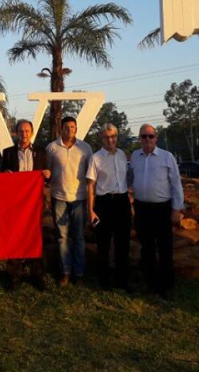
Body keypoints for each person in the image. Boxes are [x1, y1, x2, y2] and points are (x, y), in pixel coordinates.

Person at [129, 124, 184, 298]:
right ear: (139, 138)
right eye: (143, 136)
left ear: (156, 138)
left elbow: (176, 184)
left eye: (150, 136)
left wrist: (176, 209)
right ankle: (150, 283)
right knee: (147, 248)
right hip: (142, 208)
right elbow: (129, 179)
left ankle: (165, 286)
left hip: (162, 208)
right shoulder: (135, 157)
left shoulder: (167, 157)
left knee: (165, 248)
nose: (147, 139)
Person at [1, 119, 51, 291]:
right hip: (15, 203)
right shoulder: (8, 153)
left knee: (36, 238)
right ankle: (14, 275)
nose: (24, 134)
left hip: (35, 202)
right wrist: (6, 174)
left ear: (32, 132)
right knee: (14, 237)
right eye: (21, 131)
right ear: (16, 133)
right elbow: (2, 177)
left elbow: (47, 176)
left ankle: (37, 275)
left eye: (27, 131)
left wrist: (47, 174)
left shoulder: (41, 152)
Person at [46, 115, 93, 287]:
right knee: (62, 237)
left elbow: (90, 175)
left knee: (79, 237)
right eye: (66, 127)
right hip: (59, 197)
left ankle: (79, 273)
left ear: (76, 129)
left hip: (79, 198)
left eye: (73, 127)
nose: (70, 130)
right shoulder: (52, 148)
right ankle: (65, 272)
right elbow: (48, 171)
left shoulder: (85, 148)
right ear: (61, 129)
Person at [86, 123, 131, 291]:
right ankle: (103, 281)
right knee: (103, 244)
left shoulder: (121, 155)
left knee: (123, 243)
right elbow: (90, 186)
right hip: (104, 203)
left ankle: (122, 281)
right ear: (101, 138)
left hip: (122, 202)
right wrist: (90, 210)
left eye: (113, 136)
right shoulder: (95, 158)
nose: (110, 140)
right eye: (106, 137)